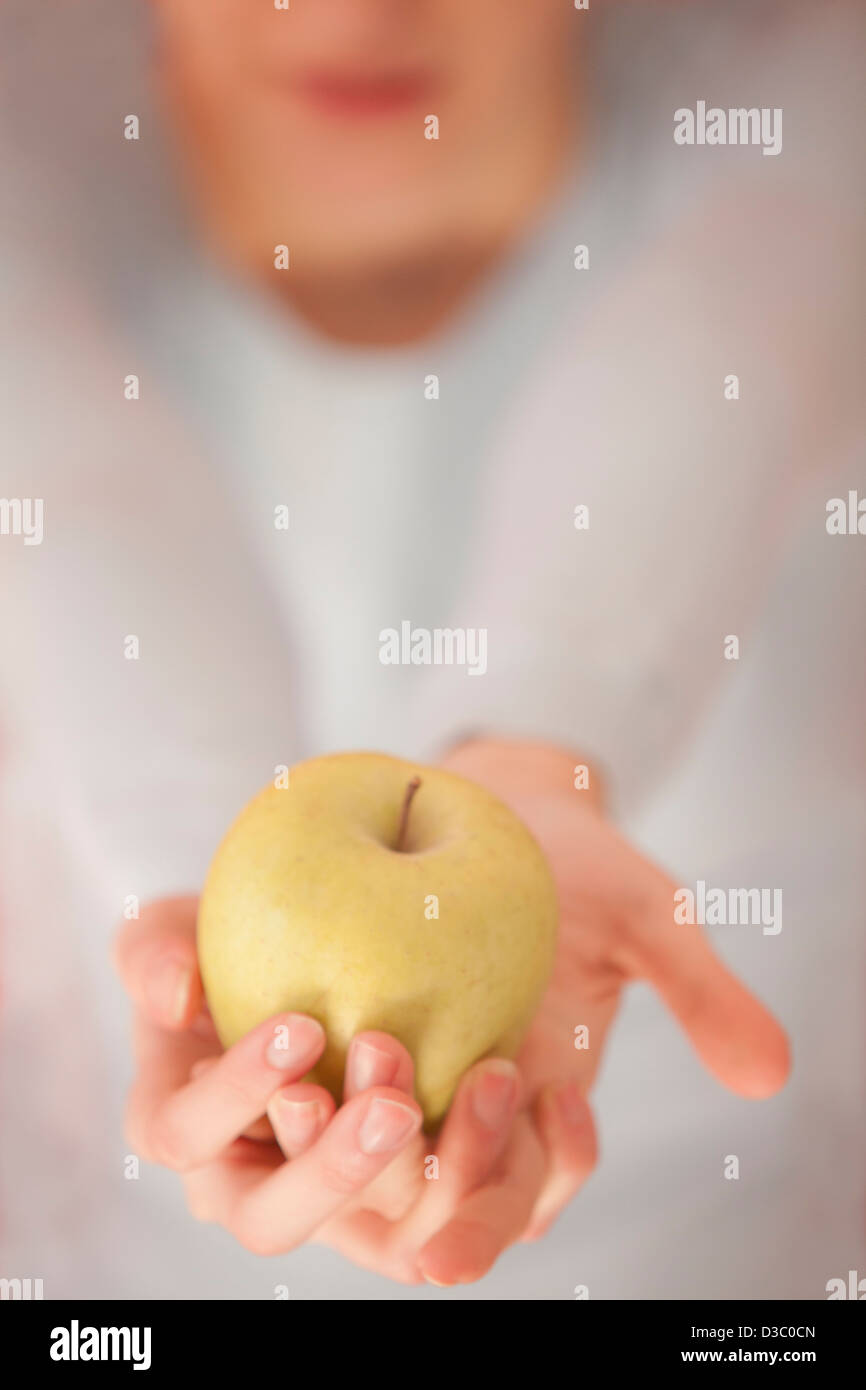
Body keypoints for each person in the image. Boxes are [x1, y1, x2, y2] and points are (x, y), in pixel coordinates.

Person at [0, 0, 863, 1297]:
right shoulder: (43, 164)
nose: (357, 15)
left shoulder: (796, 99)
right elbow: (67, 470)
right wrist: (203, 904)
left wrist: (542, 736)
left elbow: (729, 330)